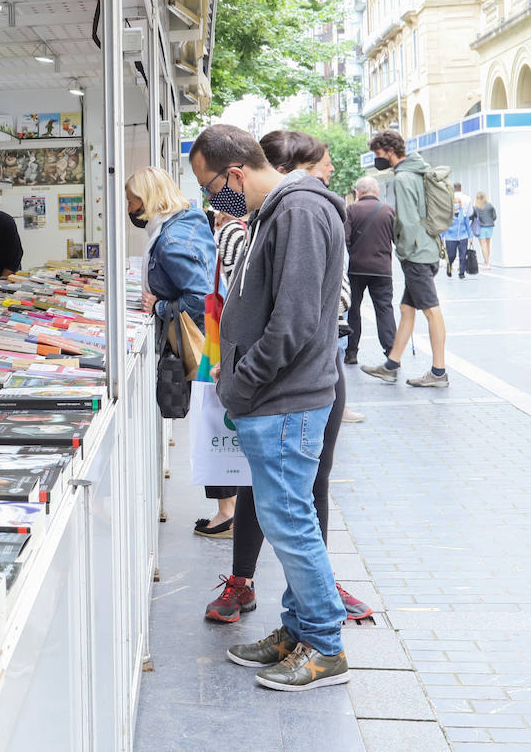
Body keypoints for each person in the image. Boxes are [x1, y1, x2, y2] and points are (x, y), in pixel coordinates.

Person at [190, 124, 350, 691]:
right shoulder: (280, 210)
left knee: (290, 522)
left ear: (234, 173)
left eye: (210, 186)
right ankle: (299, 629)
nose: (212, 200)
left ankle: (325, 647)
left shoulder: (299, 210)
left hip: (282, 398)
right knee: (288, 518)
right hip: (273, 397)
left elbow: (297, 321)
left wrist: (242, 385)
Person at [125, 166, 231, 536]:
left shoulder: (169, 240)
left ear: (148, 198)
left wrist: (157, 306)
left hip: (198, 343)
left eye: (131, 199)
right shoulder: (185, 222)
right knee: (212, 418)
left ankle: (226, 512)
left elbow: (196, 296)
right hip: (211, 337)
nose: (129, 206)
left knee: (208, 419)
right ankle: (227, 508)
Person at [362, 130, 448, 387]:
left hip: (417, 255)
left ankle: (439, 372)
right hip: (427, 248)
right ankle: (391, 364)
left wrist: (402, 251)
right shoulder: (418, 170)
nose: (378, 159)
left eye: (379, 154)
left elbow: (408, 220)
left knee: (431, 311)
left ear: (389, 151)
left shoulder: (403, 177)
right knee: (406, 309)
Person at [344, 176, 396, 365]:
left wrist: (355, 253)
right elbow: (398, 239)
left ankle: (351, 353)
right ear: (377, 192)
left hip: (356, 269)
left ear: (358, 192)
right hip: (382, 270)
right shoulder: (388, 211)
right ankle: (391, 352)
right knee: (384, 309)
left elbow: (345, 238)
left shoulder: (351, 210)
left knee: (353, 310)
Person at [442, 182, 474, 278]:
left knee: (463, 255)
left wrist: (470, 236)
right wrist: (441, 237)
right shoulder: (448, 215)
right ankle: (449, 264)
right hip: (450, 237)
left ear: (460, 205)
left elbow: (468, 225)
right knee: (451, 255)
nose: (456, 205)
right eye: (455, 203)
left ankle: (462, 273)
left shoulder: (463, 214)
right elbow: (444, 226)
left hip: (462, 236)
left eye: (458, 204)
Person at [474, 191, 496, 266]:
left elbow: (473, 217)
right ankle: (487, 261)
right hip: (490, 227)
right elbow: (494, 217)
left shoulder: (476, 207)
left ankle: (486, 262)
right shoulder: (490, 205)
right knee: (488, 244)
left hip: (481, 228)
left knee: (483, 245)